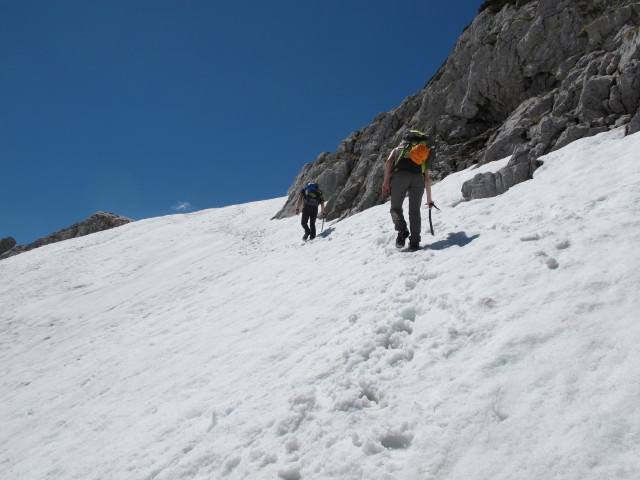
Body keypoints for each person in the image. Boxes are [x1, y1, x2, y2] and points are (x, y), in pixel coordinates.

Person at [381, 132, 434, 250]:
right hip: (418, 179)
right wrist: (429, 199)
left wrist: (386, 182)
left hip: (400, 177)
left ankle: (402, 229)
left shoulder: (399, 148)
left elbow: (389, 162)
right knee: (414, 211)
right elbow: (427, 177)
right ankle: (415, 242)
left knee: (395, 208)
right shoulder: (424, 152)